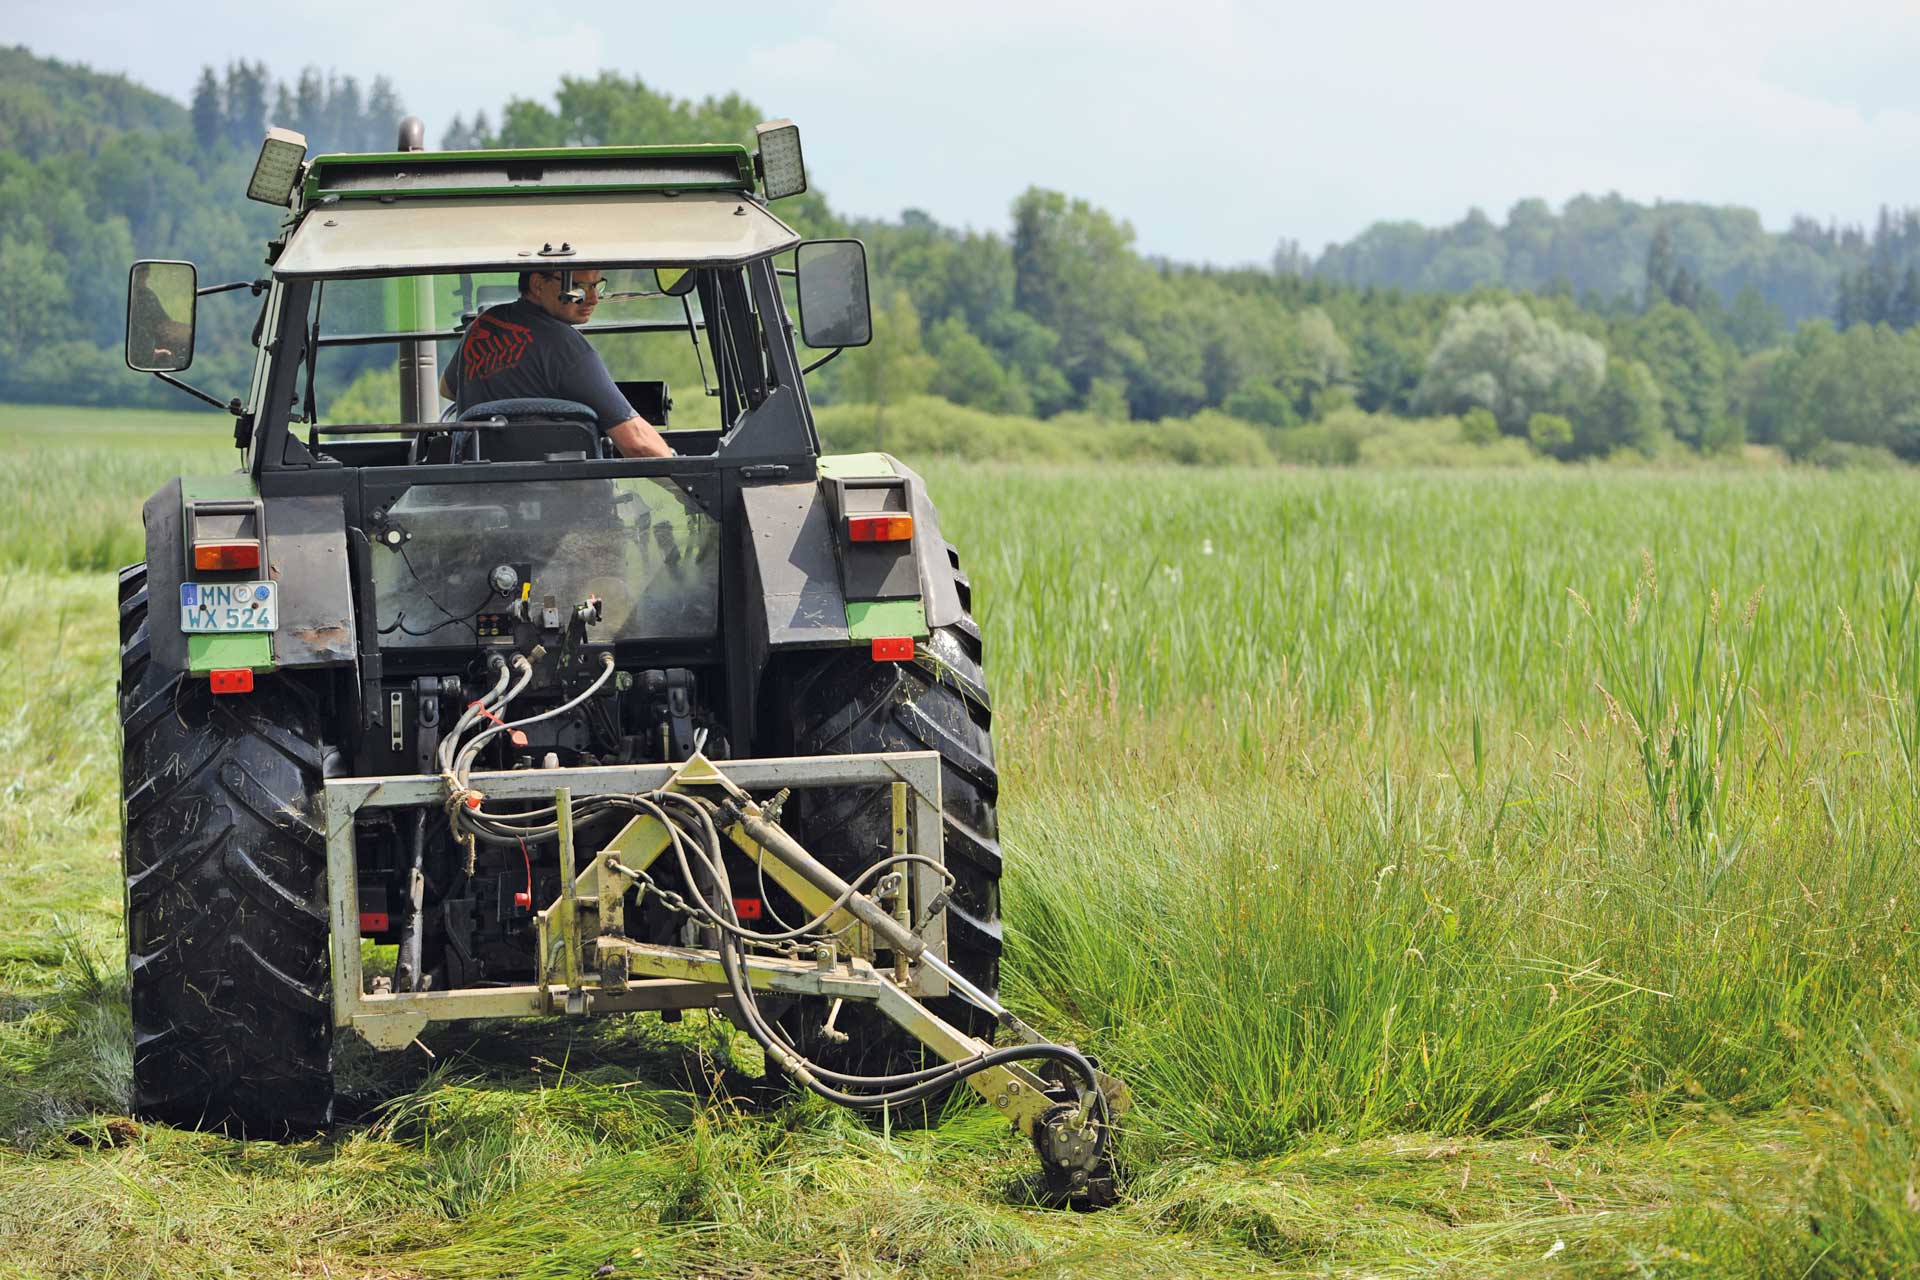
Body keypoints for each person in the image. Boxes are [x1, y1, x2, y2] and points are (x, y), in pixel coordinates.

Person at [439, 268, 670, 458]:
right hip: (563, 502)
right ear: (538, 285)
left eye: (596, 286)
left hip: (475, 494)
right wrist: (686, 490)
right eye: (579, 287)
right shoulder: (566, 346)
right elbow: (637, 443)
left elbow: (448, 389)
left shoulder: (483, 325)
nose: (593, 298)